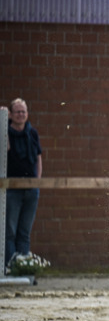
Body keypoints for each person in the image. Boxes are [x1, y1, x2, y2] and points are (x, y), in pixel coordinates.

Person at [6, 98, 43, 268]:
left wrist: (37, 181)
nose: (21, 115)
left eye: (23, 112)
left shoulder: (32, 133)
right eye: (18, 112)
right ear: (11, 115)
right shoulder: (4, 133)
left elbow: (38, 158)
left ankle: (23, 269)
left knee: (24, 232)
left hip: (30, 189)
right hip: (12, 189)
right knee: (10, 232)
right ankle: (10, 266)